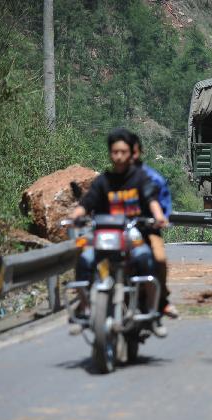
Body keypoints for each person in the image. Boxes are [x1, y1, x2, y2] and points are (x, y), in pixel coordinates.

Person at [69, 127, 169, 337]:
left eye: (123, 152)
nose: (119, 156)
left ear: (130, 153)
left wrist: (158, 216)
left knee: (147, 261)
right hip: (106, 237)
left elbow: (152, 200)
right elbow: (87, 202)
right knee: (85, 260)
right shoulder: (103, 181)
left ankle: (153, 312)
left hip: (134, 236)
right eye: (115, 152)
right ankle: (85, 308)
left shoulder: (141, 179)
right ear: (110, 153)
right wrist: (76, 215)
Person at [129, 133, 178, 319]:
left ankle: (161, 300)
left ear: (140, 152)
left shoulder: (152, 179)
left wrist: (160, 219)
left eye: (132, 152)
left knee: (159, 259)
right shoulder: (111, 179)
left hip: (146, 230)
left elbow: (162, 206)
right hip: (119, 231)